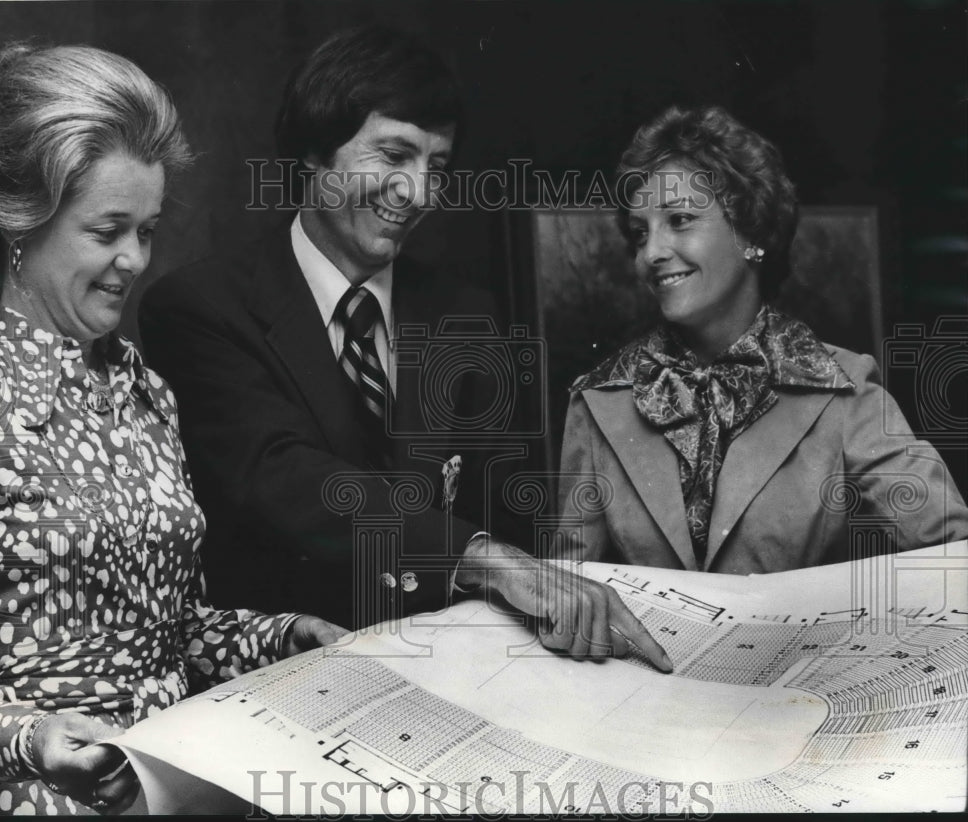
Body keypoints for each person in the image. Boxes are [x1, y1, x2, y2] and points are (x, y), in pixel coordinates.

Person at [139, 26, 670, 670]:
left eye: (436, 168)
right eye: (393, 156)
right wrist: (480, 557)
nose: (419, 193)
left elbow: (513, 514)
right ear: (313, 154)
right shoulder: (198, 307)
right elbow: (280, 477)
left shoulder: (468, 317)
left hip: (450, 676)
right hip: (280, 679)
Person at [0, 44, 347, 815]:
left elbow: (169, 632)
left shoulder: (146, 392)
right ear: (22, 220)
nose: (134, 260)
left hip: (178, 786)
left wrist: (280, 639)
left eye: (146, 229)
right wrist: (27, 736)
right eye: (107, 230)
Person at [557, 105, 968, 572]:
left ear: (750, 231)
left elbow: (956, 561)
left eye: (680, 220)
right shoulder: (596, 404)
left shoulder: (848, 395)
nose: (651, 252)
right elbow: (568, 597)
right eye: (639, 233)